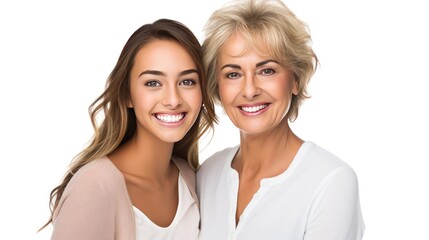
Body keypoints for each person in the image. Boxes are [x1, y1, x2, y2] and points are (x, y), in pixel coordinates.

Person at [196, 0, 365, 239]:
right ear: (218, 87)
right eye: (233, 74)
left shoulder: (331, 181)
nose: (249, 90)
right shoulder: (207, 174)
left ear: (295, 80)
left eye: (267, 71)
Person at [40, 18, 216, 240]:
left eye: (187, 82)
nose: (173, 99)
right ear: (126, 95)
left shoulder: (190, 178)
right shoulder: (93, 188)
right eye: (153, 83)